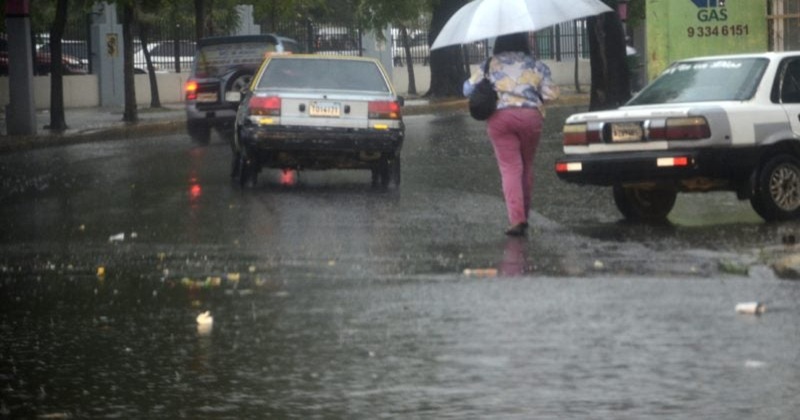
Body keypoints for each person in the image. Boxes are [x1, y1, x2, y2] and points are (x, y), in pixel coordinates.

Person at [463, 32, 559, 236]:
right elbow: (551, 94)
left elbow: (467, 89)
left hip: (501, 119)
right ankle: (525, 214)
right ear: (524, 41)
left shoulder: (490, 64)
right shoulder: (536, 65)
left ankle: (517, 219)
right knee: (527, 166)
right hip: (531, 117)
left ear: (498, 42)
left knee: (510, 168)